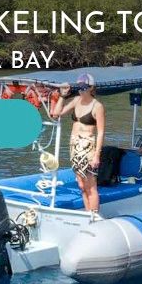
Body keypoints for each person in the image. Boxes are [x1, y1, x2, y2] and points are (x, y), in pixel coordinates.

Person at [50, 73, 106, 215]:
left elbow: (100, 132)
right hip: (74, 147)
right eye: (80, 87)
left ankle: (93, 216)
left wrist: (96, 155)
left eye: (84, 88)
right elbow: (56, 114)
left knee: (90, 186)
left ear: (91, 87)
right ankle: (87, 214)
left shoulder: (97, 106)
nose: (81, 90)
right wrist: (62, 96)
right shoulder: (75, 101)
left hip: (88, 148)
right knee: (81, 185)